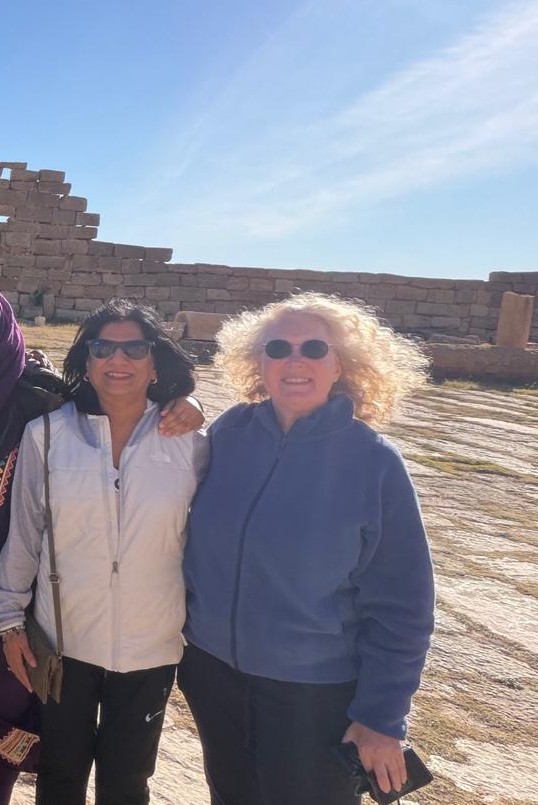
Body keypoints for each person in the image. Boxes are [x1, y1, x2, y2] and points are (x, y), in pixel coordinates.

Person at [0, 289, 202, 805]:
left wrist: (189, 400)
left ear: (1, 331)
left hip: (26, 591)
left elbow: (126, 408)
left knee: (11, 708)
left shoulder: (39, 399)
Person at [179, 291, 435, 805]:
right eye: (278, 348)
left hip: (312, 694)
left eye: (314, 349)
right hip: (212, 677)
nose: (295, 361)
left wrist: (381, 717)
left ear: (341, 364)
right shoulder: (230, 432)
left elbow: (404, 607)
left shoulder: (374, 463)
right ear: (259, 362)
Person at [0, 300, 209, 805]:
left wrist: (197, 406)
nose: (119, 359)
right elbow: (24, 533)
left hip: (152, 644)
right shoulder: (46, 435)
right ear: (86, 362)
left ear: (155, 363)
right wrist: (7, 621)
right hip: (64, 640)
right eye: (103, 347)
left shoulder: (193, 444)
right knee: (60, 776)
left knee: (127, 780)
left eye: (135, 348)